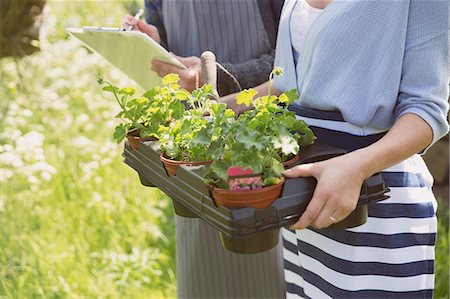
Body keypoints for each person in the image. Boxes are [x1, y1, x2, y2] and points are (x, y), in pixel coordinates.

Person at [220, 0, 449, 297]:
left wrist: (356, 167)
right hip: (307, 196)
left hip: (373, 198)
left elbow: (426, 110)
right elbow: (290, 84)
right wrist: (219, 109)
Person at [122, 1, 287, 298]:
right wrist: (155, 51)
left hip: (266, 149)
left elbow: (297, 59)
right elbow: (171, 51)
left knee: (271, 273)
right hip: (194, 156)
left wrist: (215, 77)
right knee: (207, 277)